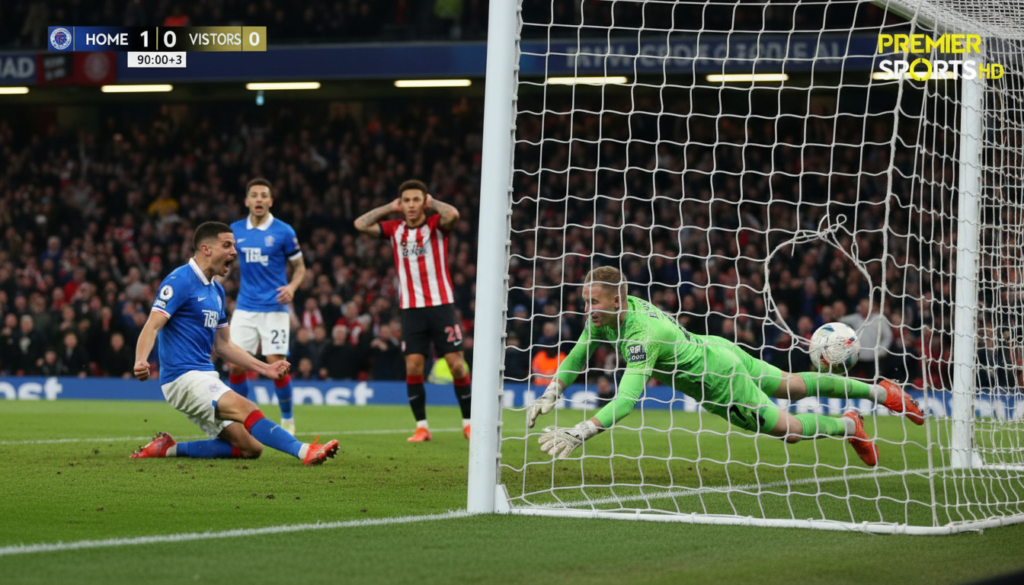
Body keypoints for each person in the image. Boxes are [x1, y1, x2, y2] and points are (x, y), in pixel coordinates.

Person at [525, 267, 924, 467]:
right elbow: (578, 354)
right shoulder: (609, 315)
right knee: (792, 385)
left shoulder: (641, 335)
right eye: (585, 301)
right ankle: (881, 391)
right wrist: (551, 392)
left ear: (616, 300)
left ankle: (851, 425)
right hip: (717, 349)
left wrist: (582, 430)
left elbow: (627, 399)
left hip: (718, 383)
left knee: (790, 431)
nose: (587, 309)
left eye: (593, 302)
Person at [131, 221, 337, 465]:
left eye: (234, 246)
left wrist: (266, 368)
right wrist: (141, 360)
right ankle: (305, 451)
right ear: (206, 249)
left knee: (250, 448)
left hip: (205, 375)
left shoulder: (217, 292)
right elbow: (152, 326)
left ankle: (167, 449)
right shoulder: (179, 280)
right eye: (227, 245)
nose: (234, 251)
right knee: (246, 407)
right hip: (182, 378)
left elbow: (224, 346)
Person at [354, 180, 471, 442]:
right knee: (414, 366)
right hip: (411, 309)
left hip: (441, 305)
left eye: (416, 199)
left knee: (457, 365)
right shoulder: (395, 229)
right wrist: (389, 207)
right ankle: (422, 427)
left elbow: (453, 215)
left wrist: (433, 203)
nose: (411, 205)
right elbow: (360, 224)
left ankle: (468, 423)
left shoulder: (436, 225)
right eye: (406, 200)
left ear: (424, 202)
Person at [225, 178, 307, 434]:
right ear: (246, 201)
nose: (259, 199)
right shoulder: (235, 230)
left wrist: (292, 287)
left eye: (263, 195)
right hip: (245, 307)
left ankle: (288, 420)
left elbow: (300, 267)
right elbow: (224, 263)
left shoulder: (284, 231)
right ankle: (243, 419)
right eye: (254, 195)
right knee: (236, 364)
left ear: (270, 201)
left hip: (274, 308)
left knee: (277, 367)